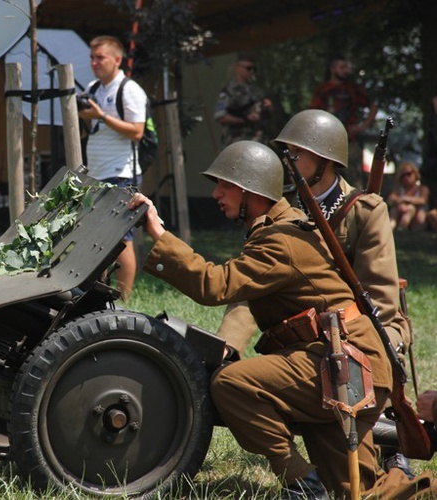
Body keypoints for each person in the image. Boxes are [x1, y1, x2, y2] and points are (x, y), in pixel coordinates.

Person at [128, 140, 435, 499]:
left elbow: (216, 285)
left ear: (252, 192)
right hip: (335, 362)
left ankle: (300, 484)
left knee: (232, 383)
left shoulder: (281, 240)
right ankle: (392, 475)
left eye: (225, 185)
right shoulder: (278, 229)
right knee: (354, 493)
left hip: (344, 363)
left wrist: (158, 233)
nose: (215, 194)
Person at [216, 109, 413, 476]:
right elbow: (249, 289)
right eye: (285, 153)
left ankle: (392, 446)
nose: (286, 162)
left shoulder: (363, 213)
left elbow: (380, 301)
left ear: (323, 160)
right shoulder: (283, 213)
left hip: (361, 338)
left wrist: (377, 364)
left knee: (358, 471)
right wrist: (227, 345)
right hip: (309, 341)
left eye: (296, 154)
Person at [78, 35, 146, 302]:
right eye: (92, 58)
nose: (94, 63)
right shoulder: (93, 87)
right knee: (99, 240)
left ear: (117, 59)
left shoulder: (129, 89)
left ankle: (125, 300)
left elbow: (137, 132)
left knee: (121, 240)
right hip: (97, 175)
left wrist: (102, 116)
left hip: (121, 174)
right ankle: (102, 297)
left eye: (100, 57)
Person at [310, 54, 378, 190]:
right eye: (342, 67)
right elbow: (312, 114)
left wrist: (362, 126)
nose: (346, 71)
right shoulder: (323, 90)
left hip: (349, 140)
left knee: (355, 179)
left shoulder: (352, 89)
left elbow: (373, 106)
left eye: (347, 67)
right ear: (333, 69)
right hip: (327, 142)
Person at [214, 51, 273, 147]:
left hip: (258, 141)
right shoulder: (228, 91)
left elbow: (266, 114)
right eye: (248, 68)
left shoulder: (257, 91)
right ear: (237, 67)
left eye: (254, 69)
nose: (252, 72)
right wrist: (244, 120)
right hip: (237, 142)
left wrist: (268, 107)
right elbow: (220, 116)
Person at [387, 161, 429, 231]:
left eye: (409, 174)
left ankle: (402, 229)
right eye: (403, 175)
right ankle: (391, 228)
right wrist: (400, 204)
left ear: (415, 174)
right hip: (399, 213)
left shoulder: (422, 188)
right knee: (394, 210)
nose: (406, 177)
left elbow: (422, 200)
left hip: (417, 217)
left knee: (410, 208)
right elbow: (390, 199)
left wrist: (404, 199)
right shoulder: (398, 189)